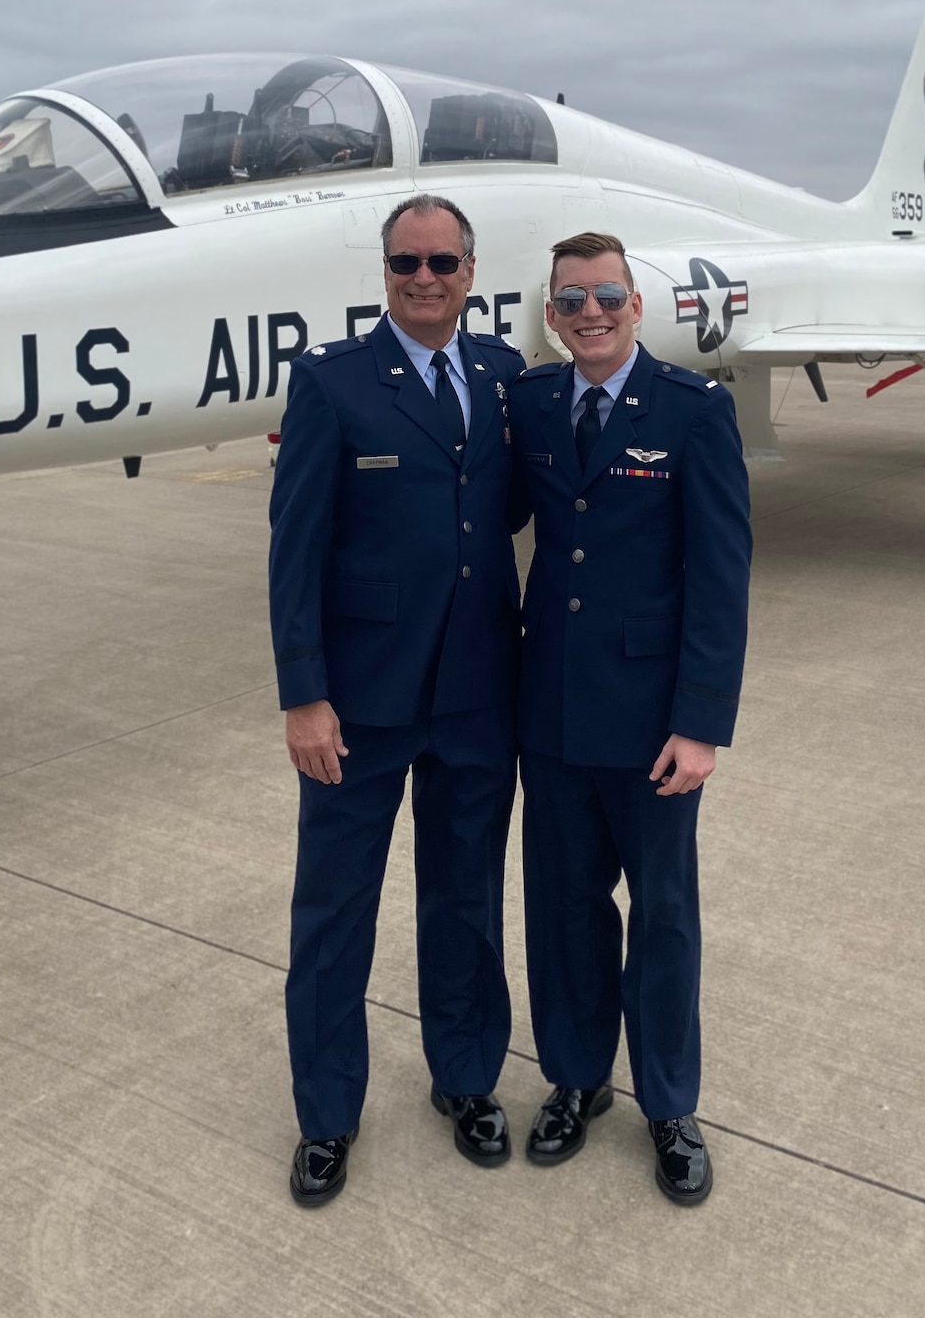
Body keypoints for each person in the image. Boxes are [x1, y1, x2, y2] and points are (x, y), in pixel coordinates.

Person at [268, 194, 526, 1206]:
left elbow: (512, 508)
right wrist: (304, 694)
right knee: (335, 913)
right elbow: (295, 551)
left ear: (471, 268)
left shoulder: (503, 375)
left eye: (443, 262)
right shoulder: (332, 383)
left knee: (466, 899)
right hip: (360, 703)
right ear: (385, 272)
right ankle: (327, 1114)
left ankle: (465, 1078)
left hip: (474, 691)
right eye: (406, 263)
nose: (425, 278)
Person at [508, 230, 751, 1205]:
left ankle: (667, 1101)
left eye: (607, 295)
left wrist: (701, 722)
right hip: (554, 709)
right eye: (572, 299)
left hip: (654, 723)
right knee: (564, 911)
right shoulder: (530, 402)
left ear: (637, 305)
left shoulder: (693, 410)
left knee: (662, 916)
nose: (591, 312)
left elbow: (720, 576)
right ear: (553, 312)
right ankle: (575, 1078)